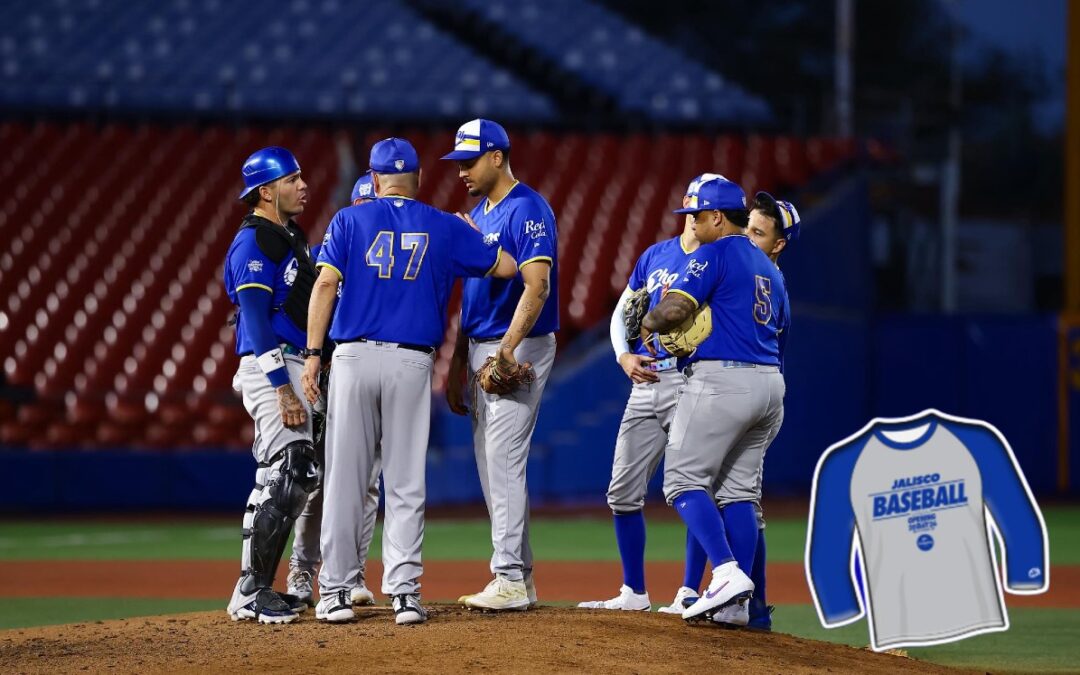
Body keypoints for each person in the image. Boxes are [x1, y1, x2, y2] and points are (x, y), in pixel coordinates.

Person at [303, 138, 520, 625]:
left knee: (345, 479)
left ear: (375, 181)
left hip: (354, 358)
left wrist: (314, 354)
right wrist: (475, 236)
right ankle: (403, 594)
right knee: (404, 480)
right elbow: (506, 266)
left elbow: (323, 285)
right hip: (411, 362)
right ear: (419, 180)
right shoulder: (443, 225)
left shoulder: (347, 219)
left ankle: (335, 591)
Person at [641, 176, 789, 622]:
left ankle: (725, 574)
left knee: (682, 481)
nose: (690, 223)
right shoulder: (771, 270)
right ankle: (737, 607)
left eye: (695, 215)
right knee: (738, 493)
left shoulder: (715, 252)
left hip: (722, 380)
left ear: (717, 217)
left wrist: (646, 323)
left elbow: (675, 310)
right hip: (769, 384)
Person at [576, 174, 719, 611]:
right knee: (621, 492)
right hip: (645, 380)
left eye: (701, 211)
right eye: (690, 211)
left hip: (689, 380)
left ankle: (690, 591)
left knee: (691, 485)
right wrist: (622, 356)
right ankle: (634, 592)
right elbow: (624, 310)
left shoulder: (718, 261)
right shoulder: (655, 255)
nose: (694, 219)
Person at [441, 119, 559, 611]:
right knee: (493, 469)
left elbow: (538, 284)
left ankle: (508, 577)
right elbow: (472, 297)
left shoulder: (527, 209)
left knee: (504, 459)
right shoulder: (479, 214)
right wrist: (454, 365)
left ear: (496, 156)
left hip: (519, 345)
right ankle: (521, 578)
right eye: (456, 163)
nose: (461, 171)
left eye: (468, 161)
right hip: (480, 345)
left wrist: (507, 348)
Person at [222, 146, 319, 624]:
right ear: (266, 191)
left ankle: (253, 586)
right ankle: (251, 590)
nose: (303, 185)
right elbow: (256, 321)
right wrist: (282, 386)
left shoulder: (289, 235)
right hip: (271, 365)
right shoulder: (254, 241)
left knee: (279, 475)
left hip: (294, 363)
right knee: (293, 467)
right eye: (292, 179)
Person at [286, 169, 381, 609]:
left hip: (365, 371)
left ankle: (352, 570)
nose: (367, 216)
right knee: (318, 481)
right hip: (326, 374)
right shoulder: (321, 256)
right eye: (361, 208)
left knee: (368, 484)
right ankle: (303, 568)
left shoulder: (387, 264)